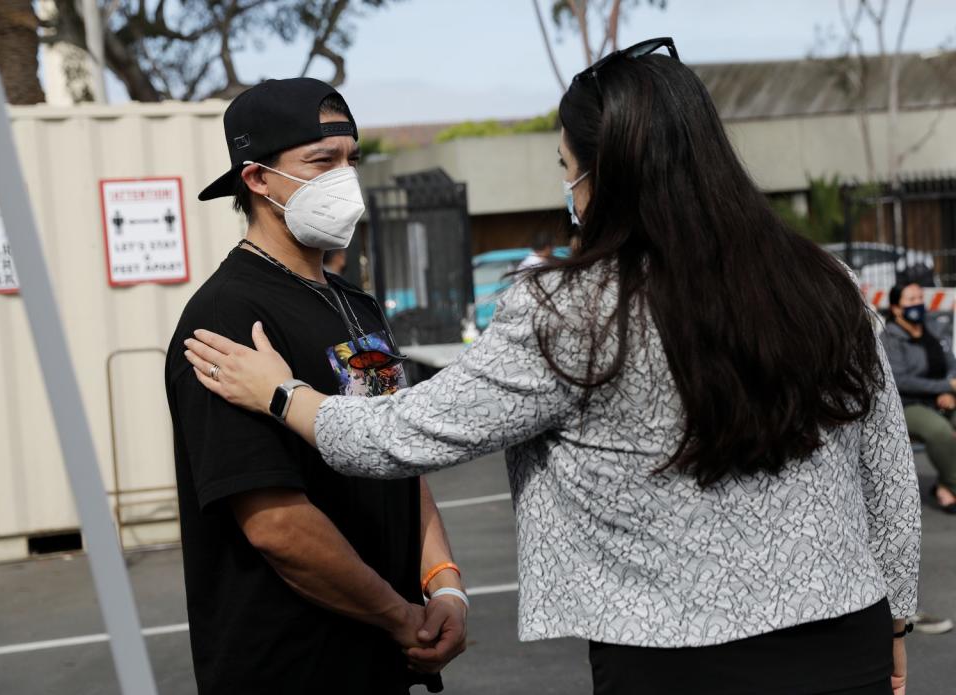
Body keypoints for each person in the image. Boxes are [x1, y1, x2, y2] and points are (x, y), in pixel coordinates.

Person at [183, 39, 920, 695]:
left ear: (611, 173)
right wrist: (895, 621)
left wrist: (283, 395)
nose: (569, 192)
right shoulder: (826, 282)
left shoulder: (568, 309)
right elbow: (886, 466)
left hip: (677, 657)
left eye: (568, 168)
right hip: (846, 633)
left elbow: (401, 435)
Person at [166, 78, 466, 695]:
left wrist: (445, 585)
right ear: (256, 179)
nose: (344, 178)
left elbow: (398, 458)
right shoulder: (226, 316)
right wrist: (399, 615)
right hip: (291, 666)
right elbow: (276, 522)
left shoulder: (356, 304)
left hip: (386, 659)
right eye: (321, 162)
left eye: (351, 159)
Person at [882, 282, 956, 513]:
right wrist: (942, 387)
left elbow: (950, 364)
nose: (918, 304)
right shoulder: (889, 339)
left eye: (920, 298)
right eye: (911, 300)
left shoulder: (931, 329)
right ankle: (952, 486)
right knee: (940, 431)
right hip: (909, 403)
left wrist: (948, 390)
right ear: (896, 308)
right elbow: (901, 380)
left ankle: (944, 484)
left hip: (941, 397)